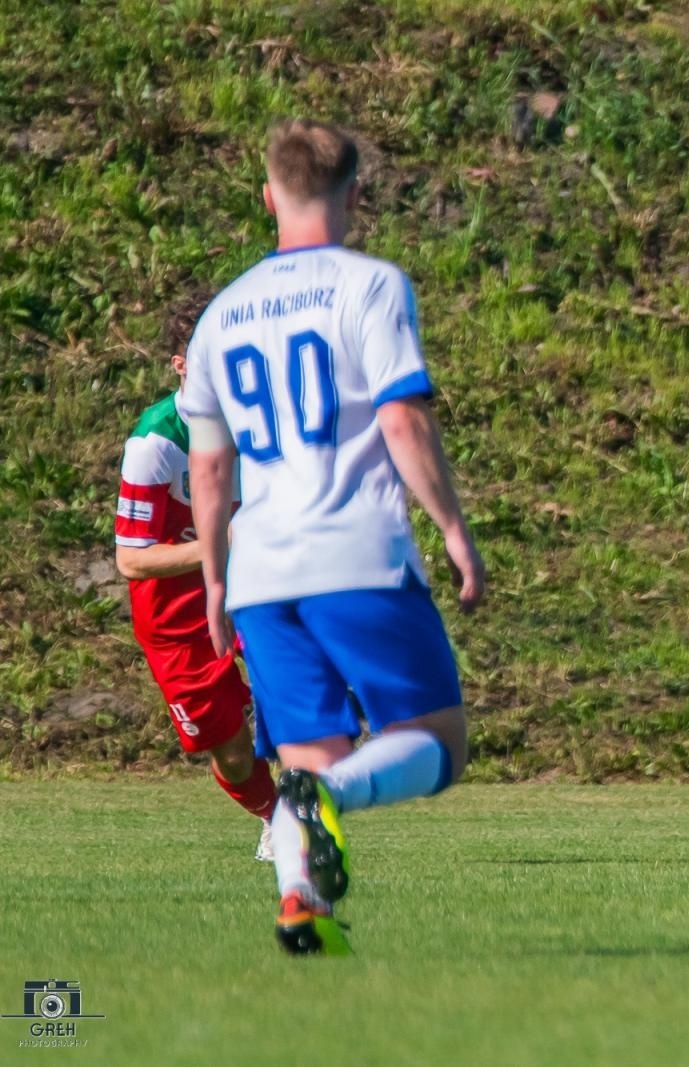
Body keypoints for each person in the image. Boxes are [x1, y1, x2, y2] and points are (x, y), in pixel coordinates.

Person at [180, 118, 485, 954]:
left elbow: (209, 475)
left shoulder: (221, 315)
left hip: (262, 572)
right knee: (440, 742)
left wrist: (213, 582)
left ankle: (300, 904)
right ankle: (328, 806)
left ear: (269, 195)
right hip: (353, 550)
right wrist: (454, 530)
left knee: (310, 757)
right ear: (355, 193)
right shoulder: (371, 285)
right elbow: (400, 417)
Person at [115, 294, 277, 860]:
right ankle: (276, 817)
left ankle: (310, 809)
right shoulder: (155, 443)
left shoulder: (261, 425)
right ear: (181, 364)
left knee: (300, 694)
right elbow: (131, 561)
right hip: (176, 619)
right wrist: (220, 546)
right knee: (231, 751)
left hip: (253, 595)